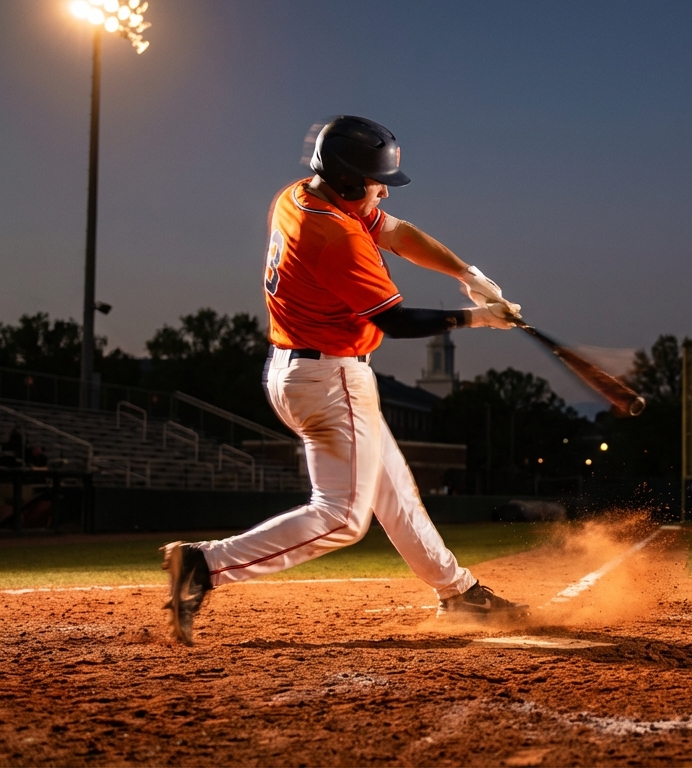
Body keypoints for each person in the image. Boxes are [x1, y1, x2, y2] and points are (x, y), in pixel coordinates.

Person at [161, 116, 528, 646]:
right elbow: (396, 322)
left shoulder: (302, 196)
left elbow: (398, 233)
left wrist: (467, 275)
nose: (382, 191)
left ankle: (459, 593)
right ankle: (204, 565)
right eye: (377, 182)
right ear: (350, 183)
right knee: (343, 519)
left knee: (396, 493)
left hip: (299, 368)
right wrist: (477, 319)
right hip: (330, 379)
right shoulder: (333, 236)